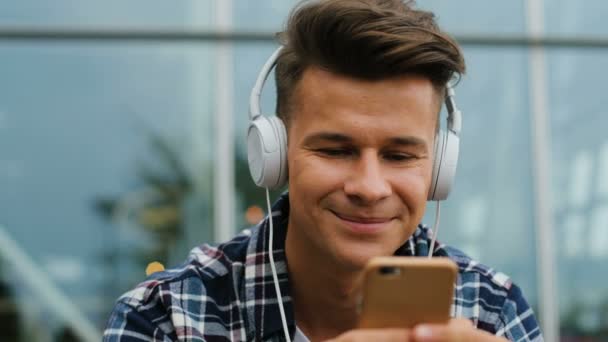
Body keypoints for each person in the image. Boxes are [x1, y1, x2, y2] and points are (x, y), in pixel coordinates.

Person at [104, 0, 543, 341]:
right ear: (275, 155)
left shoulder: (490, 309)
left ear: (439, 166)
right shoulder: (167, 316)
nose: (370, 188)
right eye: (335, 150)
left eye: (399, 156)